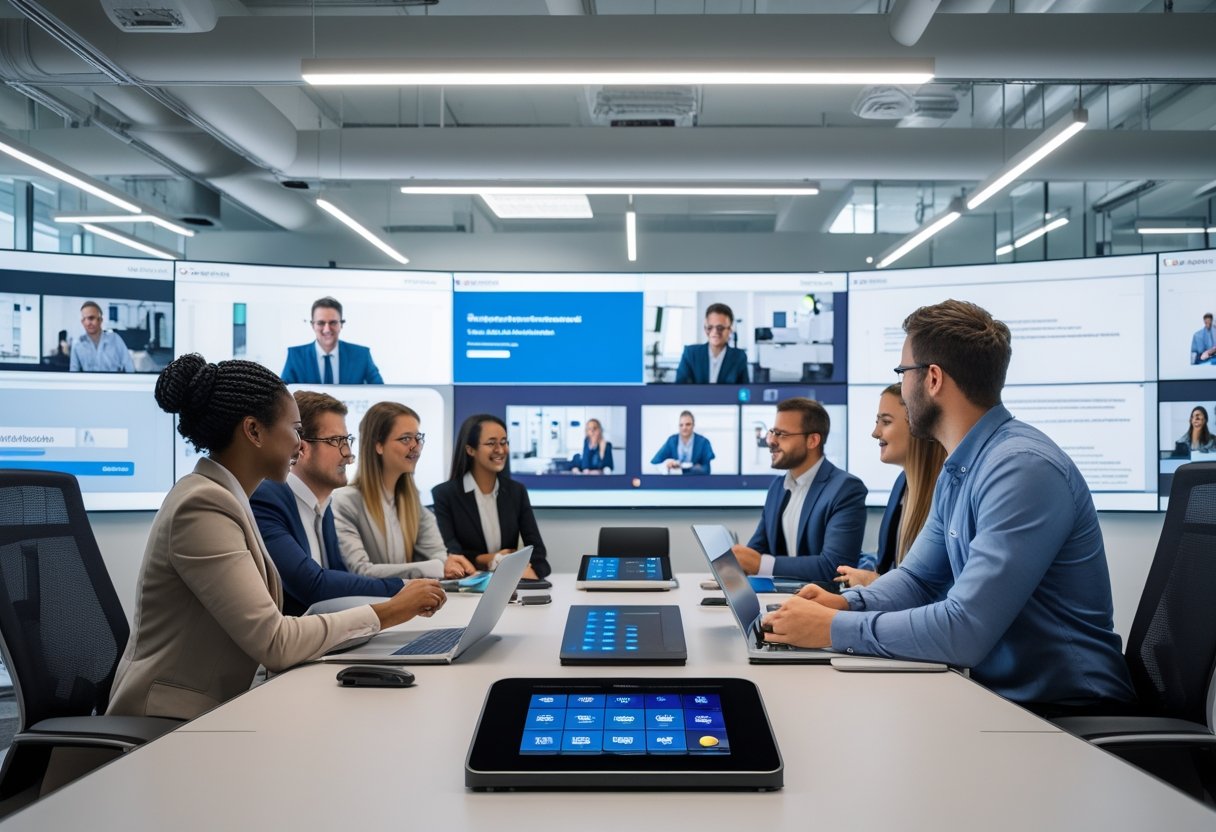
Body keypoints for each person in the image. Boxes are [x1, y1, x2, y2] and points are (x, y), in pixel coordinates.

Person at [763, 300, 1136, 713]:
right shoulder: (960, 468)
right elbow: (918, 580)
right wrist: (846, 604)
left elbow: (964, 629)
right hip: (1000, 696)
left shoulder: (1022, 469)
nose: (903, 388)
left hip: (1067, 710)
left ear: (933, 379)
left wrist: (833, 628)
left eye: (902, 373)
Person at [106, 355, 445, 721]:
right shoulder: (202, 506)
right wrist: (391, 610)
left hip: (219, 708)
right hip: (167, 721)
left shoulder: (229, 498)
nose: (300, 445)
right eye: (296, 430)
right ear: (253, 431)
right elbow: (275, 641)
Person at [251, 391, 409, 615]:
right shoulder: (266, 499)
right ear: (301, 448)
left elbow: (339, 578)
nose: (349, 454)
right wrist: (403, 588)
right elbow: (312, 585)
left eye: (347, 440)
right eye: (336, 441)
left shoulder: (323, 506)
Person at [332, 402, 476, 579]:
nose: (416, 446)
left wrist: (445, 564)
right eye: (406, 439)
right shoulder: (344, 502)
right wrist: (435, 567)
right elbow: (360, 571)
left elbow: (438, 557)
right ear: (378, 445)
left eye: (418, 438)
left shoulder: (413, 505)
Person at [731, 397, 867, 583]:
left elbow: (835, 567)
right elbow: (757, 550)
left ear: (812, 440)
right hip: (780, 595)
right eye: (772, 432)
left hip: (823, 599)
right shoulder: (777, 487)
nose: (771, 441)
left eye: (782, 434)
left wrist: (762, 564)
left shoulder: (846, 489)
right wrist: (736, 564)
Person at [836, 384, 946, 589]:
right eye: (877, 422)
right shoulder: (902, 484)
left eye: (886, 422)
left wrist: (874, 582)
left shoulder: (947, 491)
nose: (875, 433)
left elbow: (937, 591)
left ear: (919, 425)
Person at [431, 414, 550, 580]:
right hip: (466, 585)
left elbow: (537, 551)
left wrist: (531, 570)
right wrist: (489, 559)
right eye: (491, 443)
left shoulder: (516, 491)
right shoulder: (444, 494)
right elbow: (452, 553)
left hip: (507, 585)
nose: (500, 450)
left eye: (504, 442)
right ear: (470, 450)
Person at [281, 296, 383, 384]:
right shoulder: (295, 356)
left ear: (341, 324)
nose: (327, 329)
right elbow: (282, 395)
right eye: (321, 323)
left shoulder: (362, 355)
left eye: (333, 323)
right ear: (312, 325)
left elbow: (380, 392)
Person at [675, 302, 750, 384]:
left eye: (720, 328)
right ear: (705, 328)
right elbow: (680, 387)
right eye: (710, 327)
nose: (714, 332)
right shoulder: (690, 354)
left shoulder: (739, 357)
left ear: (730, 330)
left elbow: (744, 389)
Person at [69, 301, 134, 373]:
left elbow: (129, 367)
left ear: (100, 320)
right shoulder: (77, 344)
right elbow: (73, 372)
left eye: (91, 318)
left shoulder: (115, 339)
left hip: (113, 380)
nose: (87, 323)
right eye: (84, 319)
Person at [650, 410, 715, 475]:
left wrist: (695, 469)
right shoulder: (672, 441)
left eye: (688, 424)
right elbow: (655, 462)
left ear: (693, 425)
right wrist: (667, 464)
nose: (684, 428)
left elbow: (707, 470)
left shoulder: (703, 442)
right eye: (681, 425)